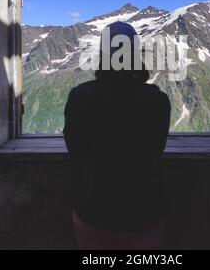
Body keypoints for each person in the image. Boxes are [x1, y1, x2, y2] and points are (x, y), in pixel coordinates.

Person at [63, 21, 171, 250]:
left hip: (92, 211)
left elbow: (75, 150)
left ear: (103, 55)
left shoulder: (80, 98)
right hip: (145, 212)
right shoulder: (158, 101)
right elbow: (157, 149)